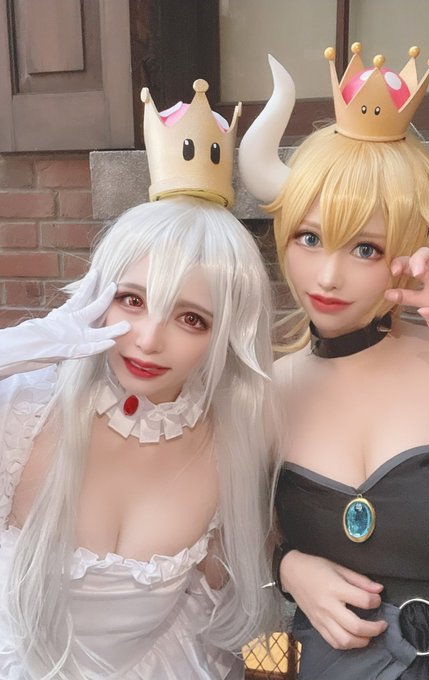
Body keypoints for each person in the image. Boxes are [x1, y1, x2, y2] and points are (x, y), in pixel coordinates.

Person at [239, 43, 429, 679]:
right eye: (309, 238)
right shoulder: (263, 391)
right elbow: (218, 534)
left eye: (366, 248)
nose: (327, 276)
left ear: (409, 249)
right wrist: (285, 566)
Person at [0, 79, 276, 679]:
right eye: (132, 300)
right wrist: (15, 349)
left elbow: (249, 613)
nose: (149, 340)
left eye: (190, 318)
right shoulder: (23, 410)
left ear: (225, 336)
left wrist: (279, 671)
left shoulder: (232, 444)